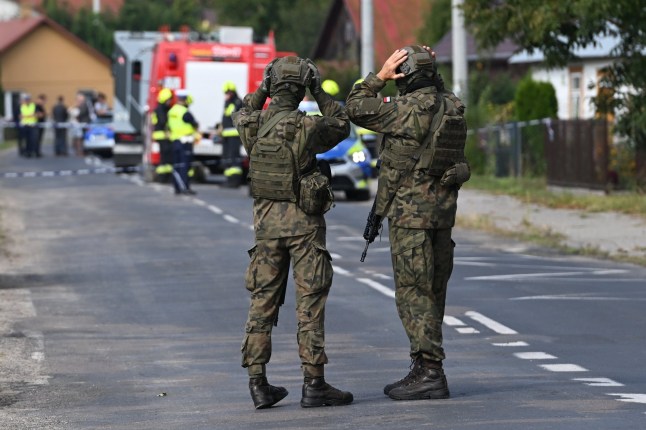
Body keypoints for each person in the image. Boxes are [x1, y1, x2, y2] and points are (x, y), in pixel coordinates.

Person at [345, 45, 470, 401]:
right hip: (442, 217)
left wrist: (380, 76)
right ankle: (422, 366)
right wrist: (429, 70)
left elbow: (355, 106)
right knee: (432, 293)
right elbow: (438, 94)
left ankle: (430, 372)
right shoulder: (453, 106)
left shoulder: (404, 110)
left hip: (410, 217)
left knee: (414, 294)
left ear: (405, 75)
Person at [233, 56, 353, 409]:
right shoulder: (308, 127)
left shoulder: (252, 125)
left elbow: (243, 109)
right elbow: (341, 123)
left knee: (262, 302)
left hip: (267, 228)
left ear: (272, 88)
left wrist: (263, 87)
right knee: (309, 304)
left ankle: (258, 383)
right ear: (302, 90)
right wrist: (318, 89)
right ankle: (314, 384)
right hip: (305, 228)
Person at [167, 89, 198, 195]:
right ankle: (185, 187)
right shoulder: (185, 112)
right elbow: (194, 124)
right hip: (185, 142)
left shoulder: (171, 111)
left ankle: (177, 187)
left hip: (175, 141)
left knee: (176, 165)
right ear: (185, 99)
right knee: (185, 165)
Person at [220, 81, 244, 187]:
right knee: (227, 158)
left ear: (232, 92)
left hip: (234, 135)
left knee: (234, 158)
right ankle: (228, 180)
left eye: (228, 93)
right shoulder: (228, 102)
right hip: (226, 135)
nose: (226, 95)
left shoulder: (237, 102)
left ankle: (235, 180)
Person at [151, 88, 174, 181]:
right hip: (162, 135)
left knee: (166, 156)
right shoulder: (161, 110)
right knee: (165, 157)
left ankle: (165, 175)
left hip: (162, 135)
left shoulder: (160, 108)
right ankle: (163, 176)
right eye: (169, 100)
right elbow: (163, 121)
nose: (170, 102)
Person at [19, 93, 38, 158]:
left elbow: (36, 114)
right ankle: (27, 152)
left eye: (28, 99)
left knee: (33, 140)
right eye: (26, 99)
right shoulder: (22, 106)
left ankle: (33, 151)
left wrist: (26, 116)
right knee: (26, 140)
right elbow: (20, 116)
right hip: (25, 125)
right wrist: (29, 115)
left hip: (32, 125)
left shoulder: (33, 105)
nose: (27, 100)